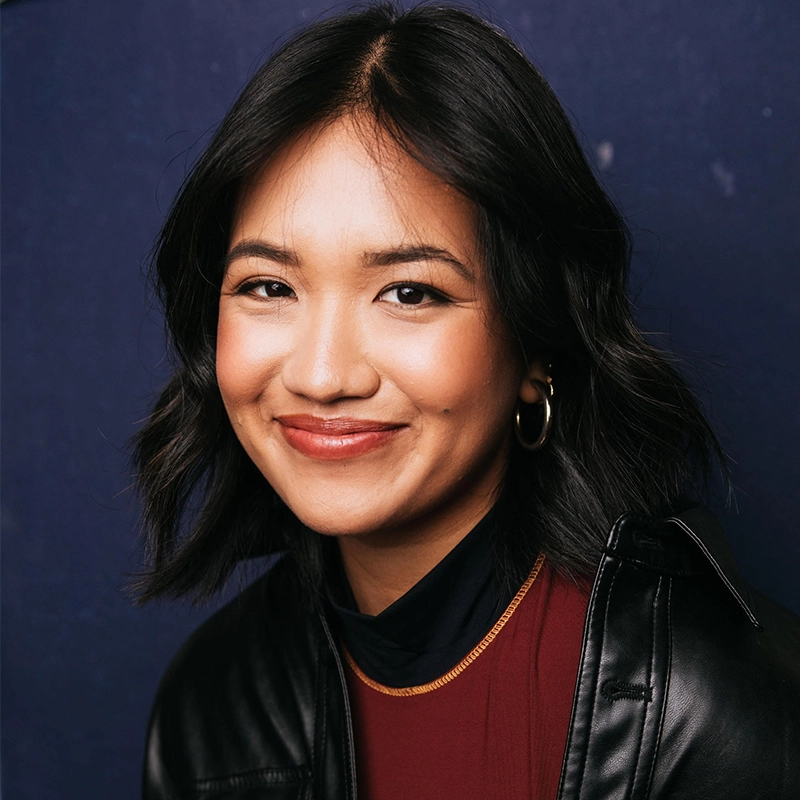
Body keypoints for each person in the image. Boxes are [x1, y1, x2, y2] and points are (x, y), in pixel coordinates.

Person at [134, 3, 800, 798]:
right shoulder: (212, 708)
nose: (320, 374)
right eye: (269, 286)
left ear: (538, 346)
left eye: (409, 292)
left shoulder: (721, 707)